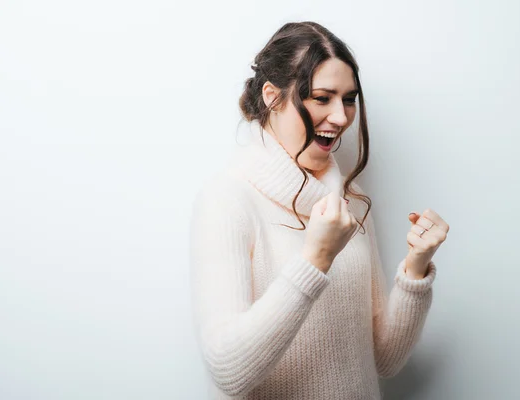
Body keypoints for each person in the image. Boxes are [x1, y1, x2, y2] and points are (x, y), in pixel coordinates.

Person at [189, 21, 450, 400]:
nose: (342, 118)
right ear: (272, 97)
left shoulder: (350, 200)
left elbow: (385, 360)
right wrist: (315, 259)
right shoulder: (227, 200)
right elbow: (228, 370)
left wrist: (416, 269)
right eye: (322, 98)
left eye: (348, 99)